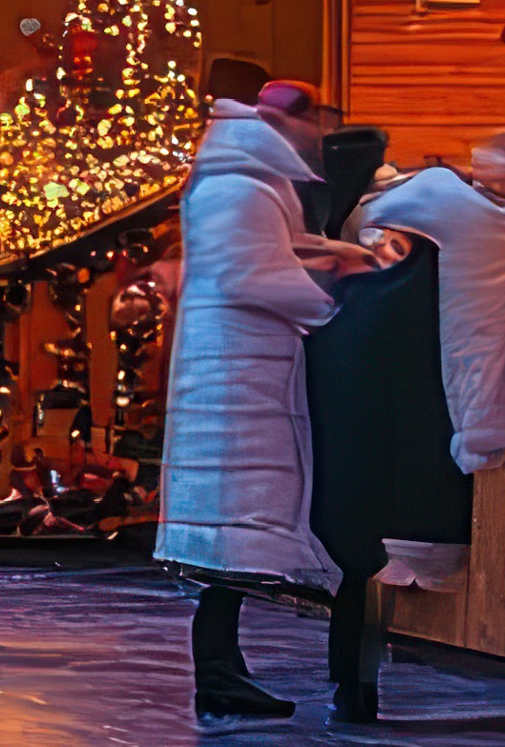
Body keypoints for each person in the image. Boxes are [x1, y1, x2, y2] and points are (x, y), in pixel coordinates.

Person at [309, 128, 505, 723]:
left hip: (379, 410)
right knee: (367, 547)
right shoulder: (428, 222)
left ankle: (352, 681)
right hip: (399, 411)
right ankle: (352, 680)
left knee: (362, 546)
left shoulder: (408, 219)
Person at [158, 88, 374, 720]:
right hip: (235, 381)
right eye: (311, 123)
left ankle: (224, 670)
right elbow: (249, 272)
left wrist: (332, 254)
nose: (316, 137)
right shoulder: (240, 182)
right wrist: (331, 306)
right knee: (232, 533)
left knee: (233, 536)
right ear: (284, 122)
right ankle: (218, 674)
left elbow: (262, 252)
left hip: (239, 372)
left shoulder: (240, 174)